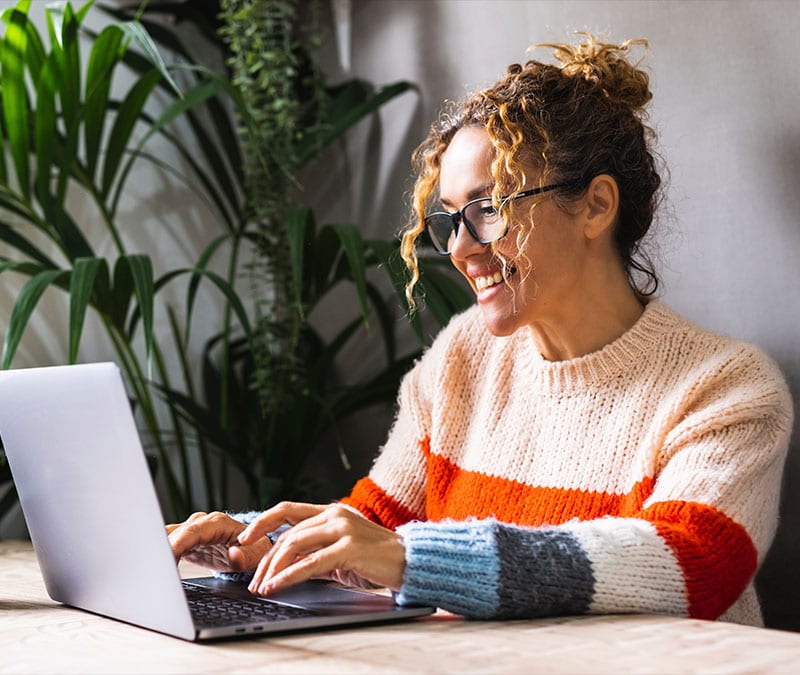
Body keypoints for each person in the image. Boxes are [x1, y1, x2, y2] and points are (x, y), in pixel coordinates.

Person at [168, 34, 793, 626]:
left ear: (597, 206)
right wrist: (245, 539)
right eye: (450, 219)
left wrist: (411, 559)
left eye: (489, 209)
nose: (462, 248)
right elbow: (377, 528)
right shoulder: (464, 355)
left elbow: (689, 565)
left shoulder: (726, 388)